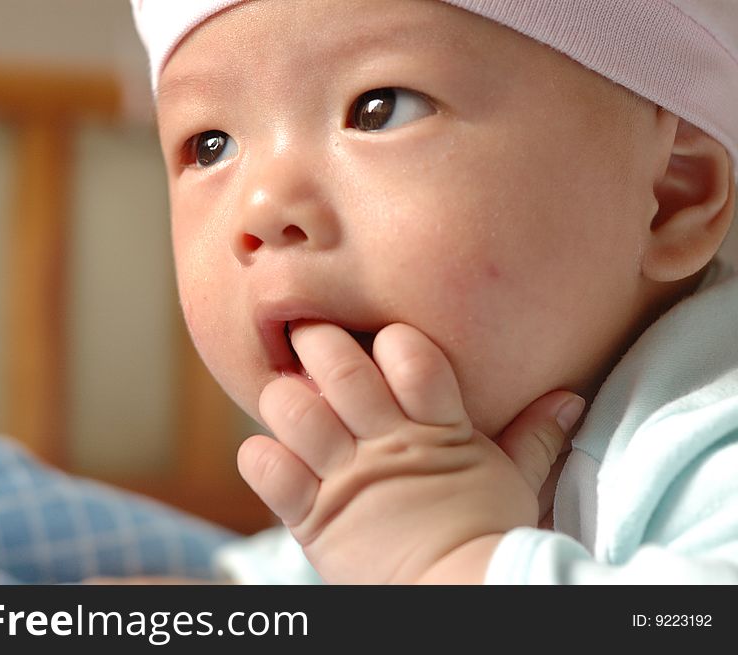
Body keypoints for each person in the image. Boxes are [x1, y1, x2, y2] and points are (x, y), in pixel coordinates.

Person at [129, 0, 738, 583]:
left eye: (379, 108)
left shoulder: (713, 440)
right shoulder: (390, 464)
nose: (260, 207)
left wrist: (448, 566)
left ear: (672, 198)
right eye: (210, 148)